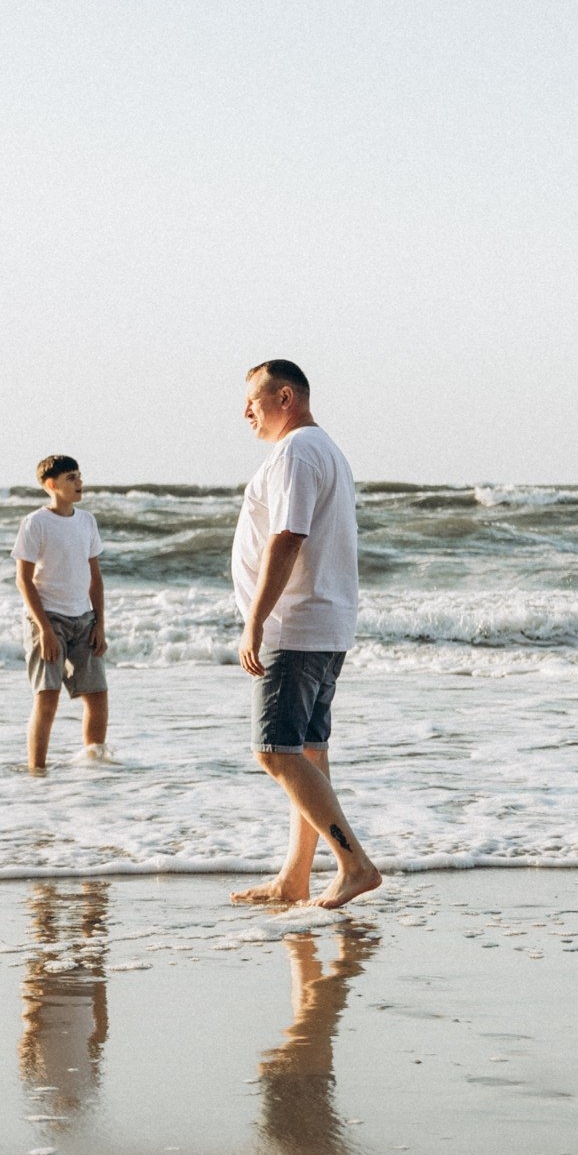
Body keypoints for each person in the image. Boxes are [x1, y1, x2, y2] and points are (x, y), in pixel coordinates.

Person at [229, 360, 384, 910]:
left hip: (295, 625)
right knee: (307, 752)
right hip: (323, 622)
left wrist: (255, 619)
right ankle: (294, 877)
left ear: (285, 397)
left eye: (253, 399)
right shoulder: (324, 449)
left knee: (274, 751)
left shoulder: (296, 451)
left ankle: (354, 864)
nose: (245, 410)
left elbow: (288, 536)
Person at [14, 454, 109, 773]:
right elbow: (23, 580)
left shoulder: (87, 521)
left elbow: (95, 577)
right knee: (47, 696)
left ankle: (94, 765)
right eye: (71, 477)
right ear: (51, 484)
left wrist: (100, 624)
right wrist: (44, 629)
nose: (79, 482)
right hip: (48, 619)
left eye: (80, 475)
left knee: (97, 694)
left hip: (84, 619)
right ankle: (36, 770)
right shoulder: (35, 523)